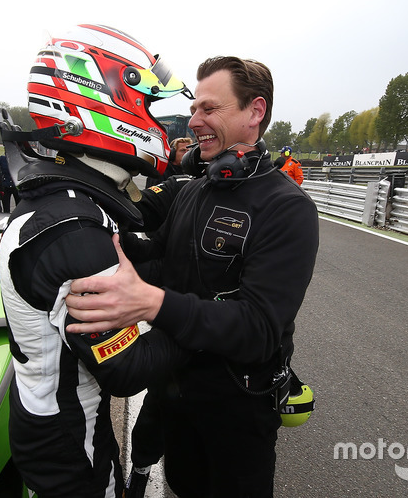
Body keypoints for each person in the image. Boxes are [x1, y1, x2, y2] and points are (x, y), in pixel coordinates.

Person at [66, 56, 320, 498]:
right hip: (175, 391)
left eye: (209, 108)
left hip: (238, 407)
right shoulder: (197, 188)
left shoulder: (287, 207)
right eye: (195, 107)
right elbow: (160, 261)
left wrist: (152, 303)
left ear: (254, 112)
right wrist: (86, 239)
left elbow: (259, 329)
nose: (194, 119)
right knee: (182, 487)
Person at [0, 24, 193, 498]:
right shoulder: (75, 230)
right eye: (148, 105)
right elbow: (128, 369)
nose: (160, 123)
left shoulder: (65, 199)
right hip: (69, 436)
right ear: (102, 101)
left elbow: (130, 258)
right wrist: (206, 316)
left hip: (48, 413)